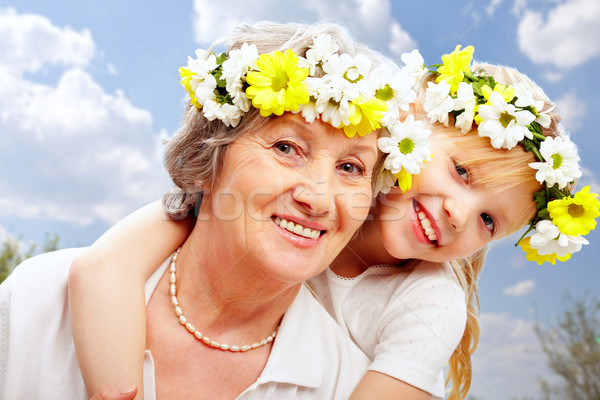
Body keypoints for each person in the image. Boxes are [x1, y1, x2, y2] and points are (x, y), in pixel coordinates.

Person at [69, 46, 599, 400]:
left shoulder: (430, 303)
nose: (460, 214)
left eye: (488, 220)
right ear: (404, 126)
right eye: (460, 170)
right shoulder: (257, 207)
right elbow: (102, 270)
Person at [0, 22, 415, 400]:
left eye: (351, 168)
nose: (321, 199)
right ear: (208, 158)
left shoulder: (345, 386)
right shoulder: (35, 304)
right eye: (287, 148)